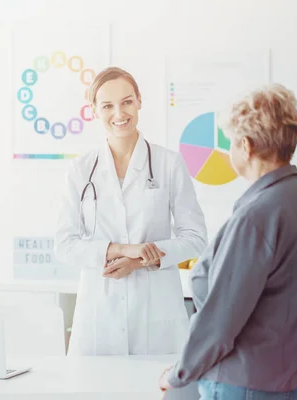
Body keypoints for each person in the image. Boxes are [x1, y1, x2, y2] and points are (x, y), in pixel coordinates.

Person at [159, 83, 297, 399]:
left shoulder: (256, 216)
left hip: (246, 385)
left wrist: (178, 375)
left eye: (230, 144)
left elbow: (219, 322)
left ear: (246, 146)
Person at [54, 67, 207, 356]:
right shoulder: (81, 169)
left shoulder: (169, 164)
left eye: (126, 101)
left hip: (157, 309)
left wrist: (138, 261)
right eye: (107, 105)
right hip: (100, 310)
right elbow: (65, 245)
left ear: (139, 100)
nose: (119, 113)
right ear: (94, 110)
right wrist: (123, 249)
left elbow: (196, 238)